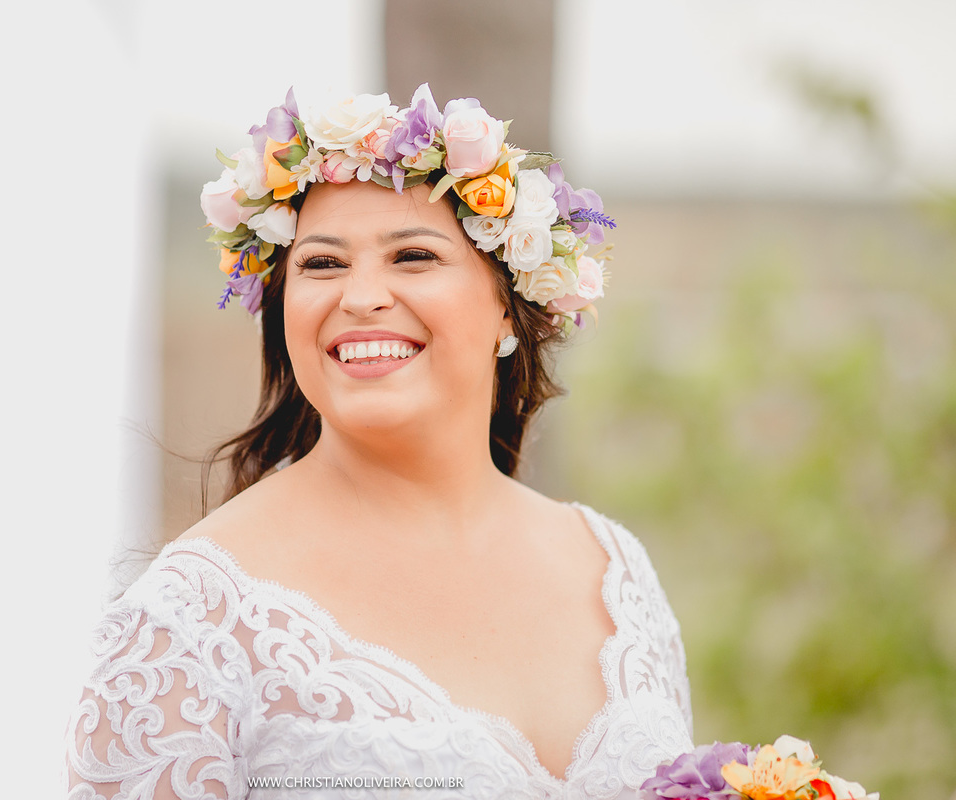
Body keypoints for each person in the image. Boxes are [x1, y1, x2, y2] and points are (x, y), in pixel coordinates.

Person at [65, 85, 694, 799]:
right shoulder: (188, 622)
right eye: (323, 264)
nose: (360, 296)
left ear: (510, 307)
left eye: (414, 256)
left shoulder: (615, 572)